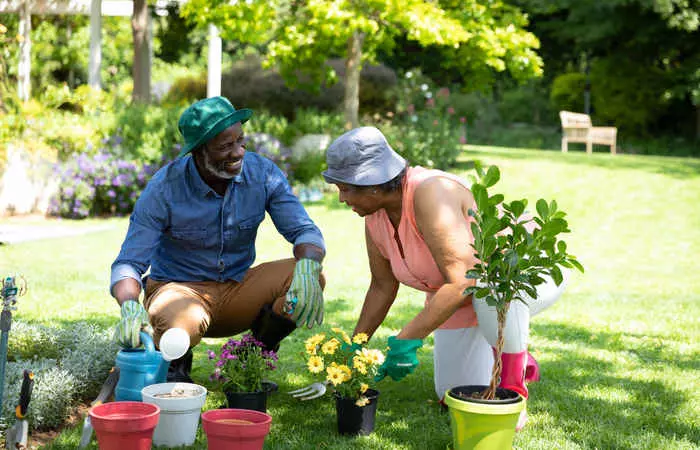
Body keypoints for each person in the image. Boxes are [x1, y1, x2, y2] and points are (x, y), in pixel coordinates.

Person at [322, 126, 567, 429]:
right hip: (465, 294)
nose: (342, 199)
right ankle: (512, 358)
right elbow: (382, 285)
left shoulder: (431, 192)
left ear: (372, 184)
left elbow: (464, 278)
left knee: (492, 285)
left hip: (524, 271)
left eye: (346, 189)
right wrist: (356, 344)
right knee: (450, 392)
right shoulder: (375, 214)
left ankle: (514, 387)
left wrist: (407, 338)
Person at [110, 96, 326, 383]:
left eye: (241, 141)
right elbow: (128, 263)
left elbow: (304, 230)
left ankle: (249, 362)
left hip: (238, 288)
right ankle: (175, 374)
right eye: (225, 146)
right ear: (199, 151)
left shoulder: (262, 174)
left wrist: (309, 265)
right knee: (177, 322)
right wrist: (128, 304)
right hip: (180, 293)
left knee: (306, 276)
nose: (238, 152)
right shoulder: (165, 188)